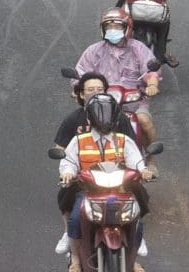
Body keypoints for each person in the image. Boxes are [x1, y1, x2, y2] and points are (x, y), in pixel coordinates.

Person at [57, 93, 151, 272]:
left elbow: (137, 161)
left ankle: (133, 258)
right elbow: (68, 162)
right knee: (76, 218)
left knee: (137, 221)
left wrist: (144, 171)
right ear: (91, 118)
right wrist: (68, 174)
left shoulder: (124, 141)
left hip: (120, 190)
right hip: (87, 191)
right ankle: (76, 259)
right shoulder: (79, 141)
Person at [74, 8, 160, 156]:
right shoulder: (94, 51)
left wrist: (152, 85)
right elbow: (80, 73)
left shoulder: (138, 49)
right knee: (78, 124)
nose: (112, 30)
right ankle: (75, 164)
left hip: (133, 103)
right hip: (99, 102)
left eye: (117, 27)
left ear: (127, 28)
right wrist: (77, 88)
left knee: (144, 121)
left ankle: (150, 160)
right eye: (109, 27)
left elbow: (150, 71)